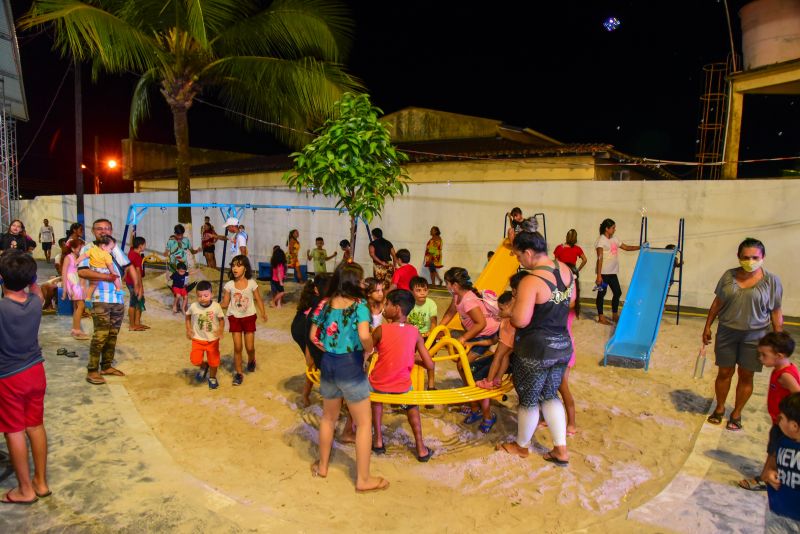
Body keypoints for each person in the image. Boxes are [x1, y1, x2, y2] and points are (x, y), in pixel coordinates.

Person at [308, 262, 389, 492]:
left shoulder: (325, 303)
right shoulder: (359, 306)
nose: (364, 283)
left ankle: (322, 466)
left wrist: (327, 349)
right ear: (354, 282)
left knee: (328, 418)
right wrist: (370, 348)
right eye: (362, 280)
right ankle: (363, 479)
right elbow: (364, 335)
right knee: (364, 424)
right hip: (350, 368)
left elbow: (313, 335)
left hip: (329, 365)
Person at [497, 227, 575, 466]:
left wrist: (509, 313)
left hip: (535, 350)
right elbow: (570, 302)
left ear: (529, 253)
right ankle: (560, 449)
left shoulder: (531, 281)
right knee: (550, 396)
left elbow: (521, 320)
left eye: (519, 256)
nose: (520, 261)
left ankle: (521, 447)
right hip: (562, 345)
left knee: (529, 400)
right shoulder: (567, 271)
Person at [703, 237, 783, 431]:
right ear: (738, 257)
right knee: (724, 372)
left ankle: (737, 413)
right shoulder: (728, 276)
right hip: (727, 333)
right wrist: (707, 326)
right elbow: (717, 303)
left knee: (746, 375)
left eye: (755, 257)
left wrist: (778, 338)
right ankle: (720, 408)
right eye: (745, 257)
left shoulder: (771, 281)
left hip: (755, 336)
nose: (750, 261)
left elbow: (775, 311)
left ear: (763, 257)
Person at [0, 251, 49, 504]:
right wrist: (31, 280)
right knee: (35, 425)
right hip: (35, 371)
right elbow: (37, 290)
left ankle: (25, 489)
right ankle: (41, 483)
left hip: (9, 377)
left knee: (14, 430)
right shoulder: (35, 302)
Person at [370, 289, 435, 461]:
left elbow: (368, 351)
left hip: (379, 383)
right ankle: (421, 448)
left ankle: (378, 441)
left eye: (388, 304)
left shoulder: (380, 330)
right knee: (412, 405)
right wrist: (413, 359)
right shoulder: (415, 332)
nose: (384, 308)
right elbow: (430, 364)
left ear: (397, 309)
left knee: (376, 398)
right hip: (401, 384)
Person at [78, 218, 143, 385]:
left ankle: (106, 366)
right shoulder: (89, 248)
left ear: (111, 231)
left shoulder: (115, 249)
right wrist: (107, 277)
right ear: (93, 231)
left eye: (107, 228)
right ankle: (92, 370)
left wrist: (137, 285)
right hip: (99, 298)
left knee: (113, 334)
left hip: (117, 298)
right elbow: (83, 272)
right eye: (99, 228)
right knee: (101, 334)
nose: (103, 231)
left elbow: (128, 266)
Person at [440, 267, 501, 430]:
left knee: (463, 366)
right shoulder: (457, 296)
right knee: (462, 365)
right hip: (476, 333)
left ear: (454, 284)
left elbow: (481, 324)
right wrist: (438, 329)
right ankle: (473, 400)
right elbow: (450, 312)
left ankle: (476, 403)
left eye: (446, 283)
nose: (445, 286)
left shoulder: (468, 299)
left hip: (485, 334)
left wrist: (464, 338)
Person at [738, 332, 799, 492]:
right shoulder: (781, 369)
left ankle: (764, 479)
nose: (760, 358)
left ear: (779, 355)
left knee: (773, 451)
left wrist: (786, 417)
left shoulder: (785, 375)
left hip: (782, 424)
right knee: (774, 451)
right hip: (779, 422)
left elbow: (798, 396)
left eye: (764, 355)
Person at [220, 255, 267, 386]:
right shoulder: (229, 285)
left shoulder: (252, 283)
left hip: (249, 317)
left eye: (238, 265)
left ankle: (252, 360)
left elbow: (258, 299)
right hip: (234, 318)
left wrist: (263, 312)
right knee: (238, 347)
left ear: (245, 268)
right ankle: (238, 373)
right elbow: (224, 303)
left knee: (250, 347)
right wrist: (212, 304)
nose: (235, 268)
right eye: (233, 265)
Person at [291, 274, 332, 406]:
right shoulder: (320, 304)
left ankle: (305, 395)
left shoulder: (318, 299)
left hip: (301, 327)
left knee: (313, 361)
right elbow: (311, 334)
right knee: (313, 362)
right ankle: (306, 395)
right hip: (302, 329)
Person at [762, 393, 800, 531]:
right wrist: (771, 474)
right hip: (778, 513)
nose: (778, 421)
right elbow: (770, 469)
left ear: (794, 426)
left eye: (782, 418)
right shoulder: (782, 442)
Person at [594, 218, 640, 325]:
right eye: (613, 228)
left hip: (612, 273)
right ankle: (601, 317)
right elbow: (600, 258)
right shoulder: (601, 240)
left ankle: (615, 314)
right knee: (602, 293)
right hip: (604, 274)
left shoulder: (615, 239)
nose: (615, 229)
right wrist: (599, 276)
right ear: (607, 228)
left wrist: (640, 247)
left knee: (617, 292)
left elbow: (627, 247)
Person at [185, 280, 225, 390]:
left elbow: (222, 320)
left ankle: (212, 377)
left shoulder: (216, 306)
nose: (203, 298)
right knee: (195, 360)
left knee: (214, 362)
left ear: (211, 294)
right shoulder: (193, 306)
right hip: (197, 339)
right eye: (199, 296)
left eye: (206, 295)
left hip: (212, 340)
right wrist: (188, 329)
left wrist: (221, 330)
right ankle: (203, 366)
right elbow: (187, 316)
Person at [476, 290, 516, 390]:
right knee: (505, 356)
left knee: (497, 357)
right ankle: (498, 378)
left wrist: (500, 314)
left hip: (507, 335)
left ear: (508, 305)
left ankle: (489, 381)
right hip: (513, 337)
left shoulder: (510, 312)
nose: (500, 312)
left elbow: (504, 314)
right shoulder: (518, 308)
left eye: (501, 309)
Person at [408, 276, 438, 393]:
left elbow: (434, 321)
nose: (422, 293)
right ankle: (408, 384)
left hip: (427, 337)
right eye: (418, 290)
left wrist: (431, 334)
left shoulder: (431, 304)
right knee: (408, 359)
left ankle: (431, 385)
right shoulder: (409, 305)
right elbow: (407, 321)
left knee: (430, 360)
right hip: (412, 337)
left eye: (425, 290)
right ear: (412, 292)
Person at [554, 229, 587, 318]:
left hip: (561, 274)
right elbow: (585, 260)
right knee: (572, 294)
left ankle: (559, 311)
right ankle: (571, 312)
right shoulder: (577, 249)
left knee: (560, 293)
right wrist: (577, 269)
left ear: (566, 237)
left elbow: (556, 262)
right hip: (572, 273)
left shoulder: (559, 248)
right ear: (576, 239)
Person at [62, 238, 89, 340]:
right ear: (73, 248)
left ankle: (75, 329)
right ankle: (77, 330)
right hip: (73, 283)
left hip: (78, 282)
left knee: (76, 307)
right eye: (80, 248)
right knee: (80, 305)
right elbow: (64, 273)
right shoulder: (68, 258)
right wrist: (65, 289)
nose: (81, 249)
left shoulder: (79, 257)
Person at [83, 235, 122, 300]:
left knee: (92, 285)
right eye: (110, 249)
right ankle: (118, 290)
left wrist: (77, 261)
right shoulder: (107, 255)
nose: (111, 251)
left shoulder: (92, 249)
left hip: (93, 270)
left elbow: (84, 256)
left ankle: (88, 298)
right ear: (103, 246)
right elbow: (110, 265)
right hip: (102, 270)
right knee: (115, 278)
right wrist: (113, 272)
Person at [126, 236, 147, 331]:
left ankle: (137, 323)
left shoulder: (131, 251)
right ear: (140, 246)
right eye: (144, 245)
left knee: (140, 301)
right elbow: (138, 274)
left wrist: (132, 235)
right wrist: (140, 287)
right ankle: (132, 325)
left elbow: (131, 244)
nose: (145, 246)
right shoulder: (137, 257)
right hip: (134, 283)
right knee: (133, 303)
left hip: (129, 281)